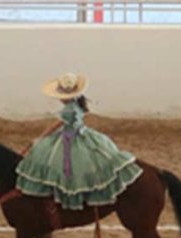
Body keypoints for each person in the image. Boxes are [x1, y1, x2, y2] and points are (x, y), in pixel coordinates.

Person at [15, 73, 142, 211]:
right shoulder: (77, 104)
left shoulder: (68, 110)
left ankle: (60, 197)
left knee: (55, 161)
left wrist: (39, 138)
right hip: (83, 134)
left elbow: (55, 126)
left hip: (70, 138)